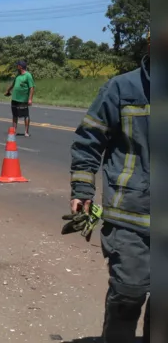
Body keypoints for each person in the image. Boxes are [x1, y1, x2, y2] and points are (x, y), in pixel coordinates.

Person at [69, 35, 150, 342]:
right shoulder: (122, 89)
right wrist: (82, 189)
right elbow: (89, 141)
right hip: (129, 215)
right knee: (128, 293)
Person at [4, 60, 35, 136]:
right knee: (15, 115)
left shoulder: (28, 75)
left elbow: (31, 87)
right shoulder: (18, 75)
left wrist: (30, 99)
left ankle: (26, 131)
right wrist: (8, 90)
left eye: (17, 65)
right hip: (15, 98)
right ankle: (14, 130)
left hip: (23, 99)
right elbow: (13, 84)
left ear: (21, 67)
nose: (16, 66)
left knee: (25, 115)